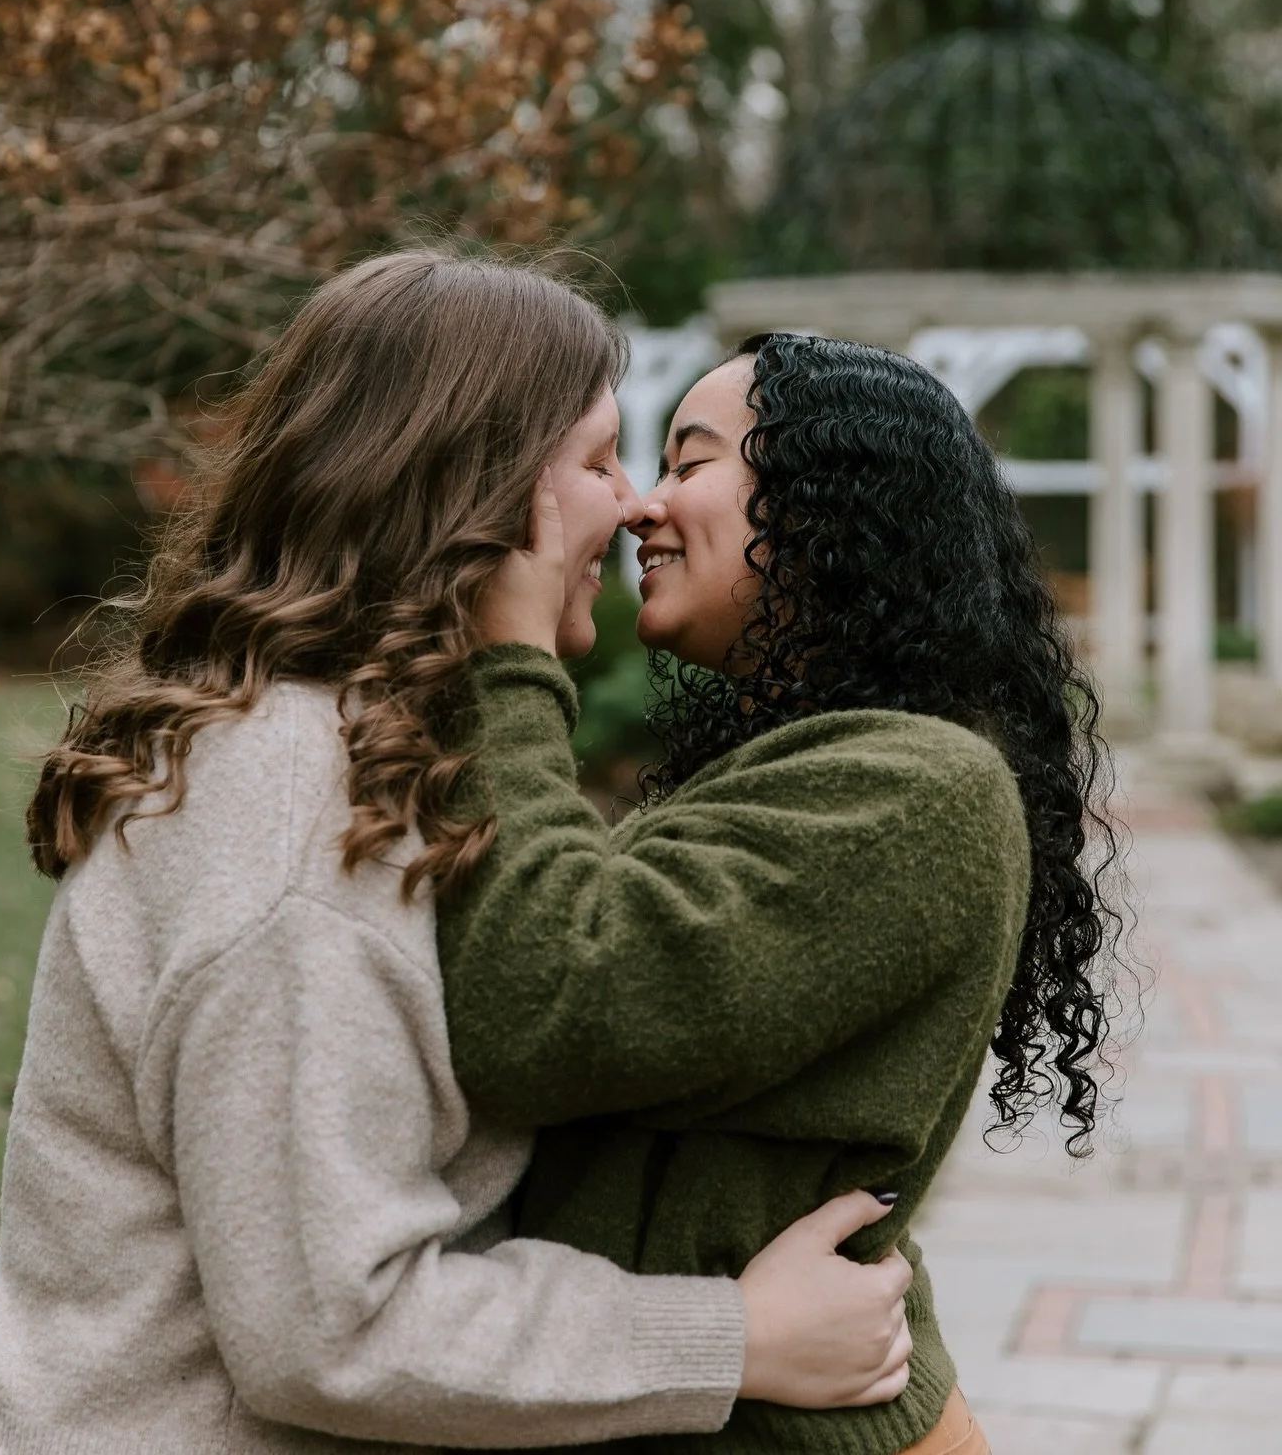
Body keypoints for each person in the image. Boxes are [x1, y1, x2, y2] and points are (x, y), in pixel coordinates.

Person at [0, 254, 914, 1455]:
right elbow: (329, 1328)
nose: (630, 508)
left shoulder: (346, 758)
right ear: (475, 497)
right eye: (595, 461)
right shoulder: (289, 815)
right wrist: (731, 1337)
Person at [440, 334, 1125, 1455]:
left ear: (824, 507)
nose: (643, 508)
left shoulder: (920, 789)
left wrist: (508, 660)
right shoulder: (816, 767)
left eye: (690, 462)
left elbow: (546, 999)